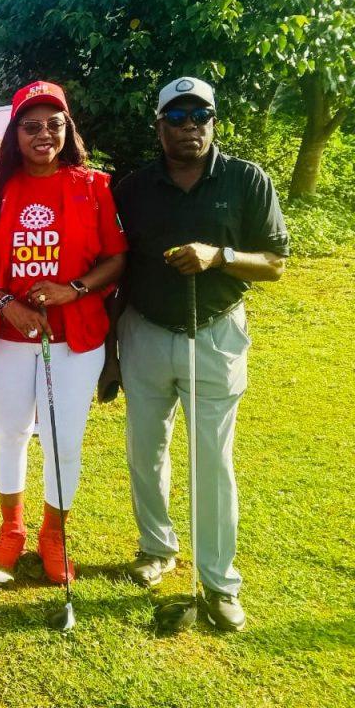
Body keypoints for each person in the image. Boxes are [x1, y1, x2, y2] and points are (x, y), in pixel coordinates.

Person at [102, 77, 288, 631]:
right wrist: (111, 354)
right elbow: (118, 273)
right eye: (178, 117)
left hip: (214, 332)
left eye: (200, 116)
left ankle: (219, 581)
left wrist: (219, 255)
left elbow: (275, 263)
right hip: (144, 331)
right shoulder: (132, 189)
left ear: (214, 122)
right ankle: (156, 548)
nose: (190, 127)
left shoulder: (246, 179)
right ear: (159, 126)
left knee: (213, 462)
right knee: (145, 451)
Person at [0, 81, 127, 583]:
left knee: (63, 440)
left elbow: (116, 258)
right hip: (6, 340)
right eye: (31, 126)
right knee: (10, 432)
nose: (43, 135)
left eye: (54, 125)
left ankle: (53, 535)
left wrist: (73, 289)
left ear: (67, 129)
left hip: (72, 338)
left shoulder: (94, 186)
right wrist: (7, 304)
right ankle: (11, 528)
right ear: (15, 133)